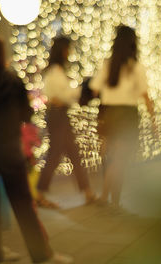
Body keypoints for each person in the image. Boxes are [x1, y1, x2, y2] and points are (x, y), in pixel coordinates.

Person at [0, 33, 73, 264]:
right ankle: (42, 256)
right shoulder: (12, 81)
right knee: (24, 205)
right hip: (10, 149)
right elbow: (26, 114)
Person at [90, 25, 155, 208]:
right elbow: (145, 96)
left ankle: (110, 200)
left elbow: (94, 89)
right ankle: (108, 199)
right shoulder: (136, 67)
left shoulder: (107, 64)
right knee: (120, 160)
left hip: (108, 113)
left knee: (111, 159)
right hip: (126, 115)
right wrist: (153, 119)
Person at [36, 37, 95, 208]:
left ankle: (87, 192)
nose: (69, 53)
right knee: (56, 155)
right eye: (68, 49)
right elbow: (62, 95)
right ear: (63, 51)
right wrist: (81, 90)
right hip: (57, 116)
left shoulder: (55, 70)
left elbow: (61, 96)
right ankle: (39, 194)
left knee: (72, 153)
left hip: (60, 115)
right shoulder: (55, 71)